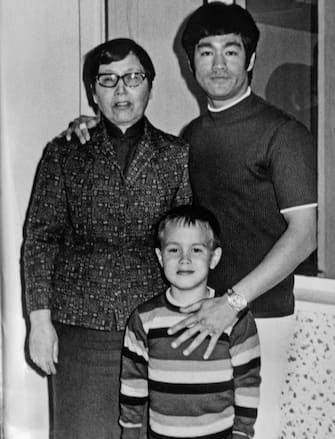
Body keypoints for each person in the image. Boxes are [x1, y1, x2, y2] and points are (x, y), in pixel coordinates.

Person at [65, 3, 317, 438]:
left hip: (260, 315)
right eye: (206, 52)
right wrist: (98, 127)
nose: (218, 64)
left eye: (231, 51)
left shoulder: (284, 134)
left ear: (251, 59)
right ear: (190, 63)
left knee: (253, 431)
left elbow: (305, 235)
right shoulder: (191, 138)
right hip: (194, 313)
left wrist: (232, 303)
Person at [22, 38, 192, 439]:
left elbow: (186, 242)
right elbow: (40, 240)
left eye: (133, 78)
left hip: (154, 322)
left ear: (150, 84)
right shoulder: (63, 153)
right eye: (108, 80)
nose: (121, 90)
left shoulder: (176, 154)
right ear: (92, 92)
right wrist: (39, 323)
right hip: (79, 326)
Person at [119, 204, 261, 439]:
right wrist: (130, 431)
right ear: (160, 257)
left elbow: (248, 383)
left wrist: (242, 434)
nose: (184, 259)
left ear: (214, 257)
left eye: (196, 250)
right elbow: (133, 381)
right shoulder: (144, 319)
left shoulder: (236, 318)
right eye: (174, 250)